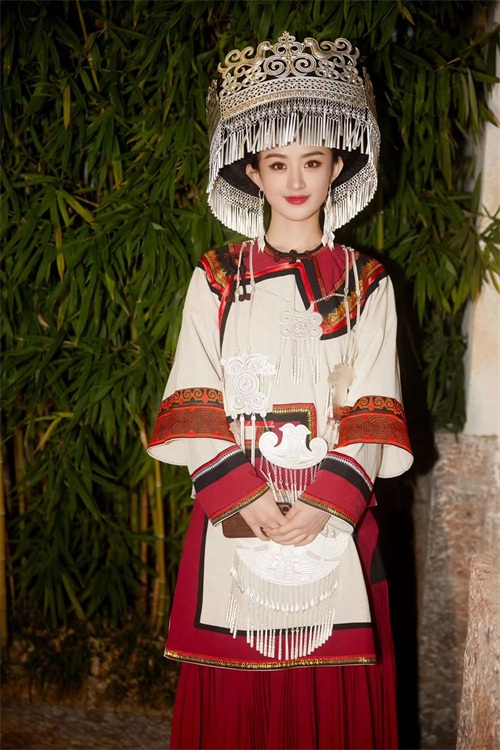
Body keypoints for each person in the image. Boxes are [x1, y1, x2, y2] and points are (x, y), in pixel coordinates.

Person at [148, 31, 413, 750]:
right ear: (253, 173)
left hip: (336, 511)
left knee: (334, 690)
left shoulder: (368, 283)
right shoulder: (215, 278)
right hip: (237, 509)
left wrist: (325, 503)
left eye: (313, 161)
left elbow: (376, 409)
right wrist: (245, 497)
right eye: (277, 163)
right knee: (239, 699)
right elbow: (193, 398)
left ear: (337, 166)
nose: (296, 180)